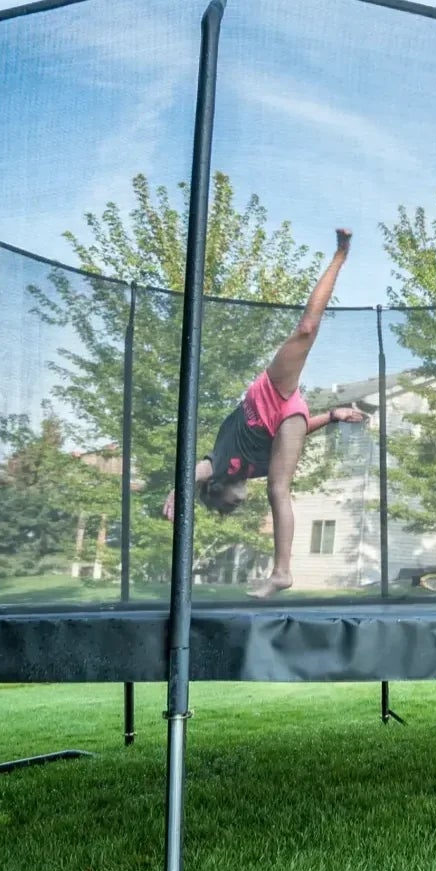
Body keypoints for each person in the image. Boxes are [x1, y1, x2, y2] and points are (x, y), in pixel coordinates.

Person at [166, 228, 365, 598]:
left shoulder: (220, 463)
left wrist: (180, 491)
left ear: (215, 488)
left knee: (306, 329)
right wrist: (333, 417)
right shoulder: (253, 471)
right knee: (279, 488)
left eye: (225, 506)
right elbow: (295, 436)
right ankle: (282, 573)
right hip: (289, 418)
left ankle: (340, 255)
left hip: (268, 396)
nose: (235, 507)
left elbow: (197, 469)